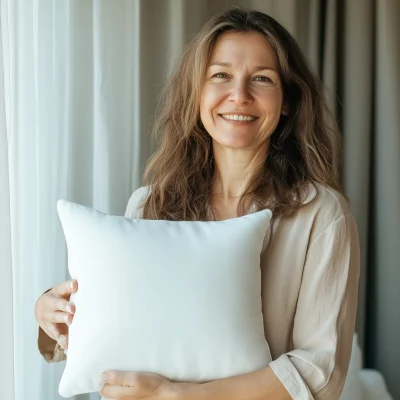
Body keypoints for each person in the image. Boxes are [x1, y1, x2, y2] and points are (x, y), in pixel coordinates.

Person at [34, 7, 360, 400]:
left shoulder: (321, 214)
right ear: (196, 91)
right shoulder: (149, 207)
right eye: (220, 75)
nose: (239, 95)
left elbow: (320, 372)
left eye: (262, 79)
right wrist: (53, 314)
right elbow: (122, 333)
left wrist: (179, 395)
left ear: (287, 100)